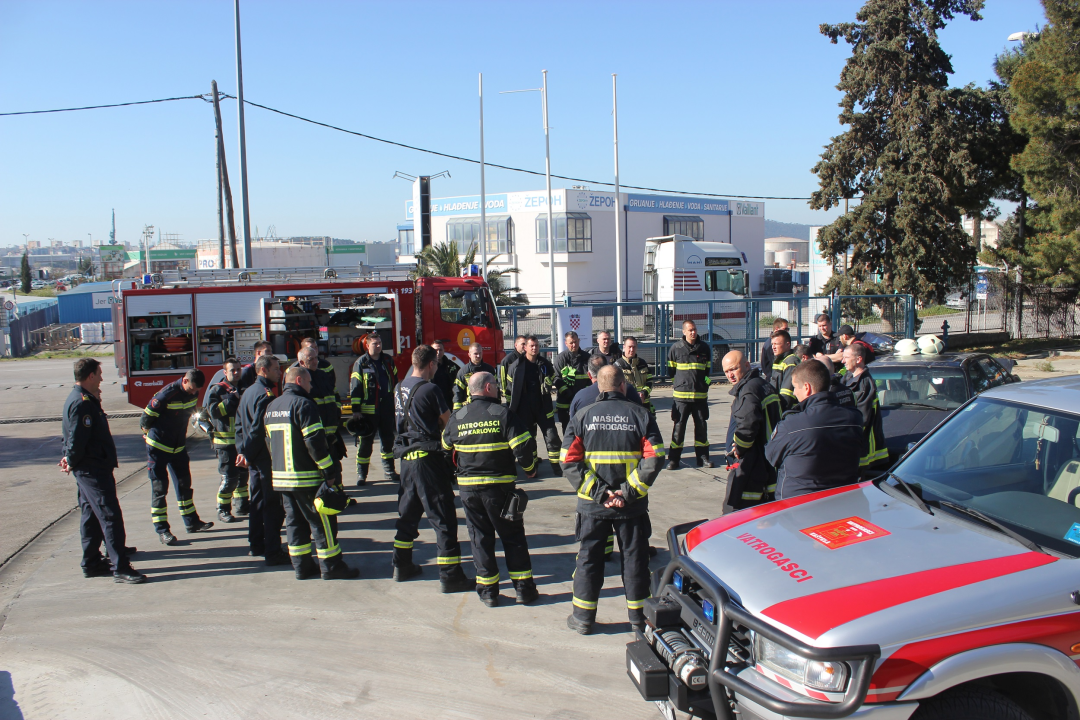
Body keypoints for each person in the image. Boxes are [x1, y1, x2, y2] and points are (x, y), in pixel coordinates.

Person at [562, 366, 665, 634]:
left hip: (592, 506)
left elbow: (569, 461)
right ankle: (638, 619)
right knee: (634, 560)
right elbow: (654, 457)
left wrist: (599, 492)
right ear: (623, 386)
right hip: (630, 507)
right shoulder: (641, 415)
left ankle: (583, 619)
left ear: (599, 386)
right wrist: (627, 492)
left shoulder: (582, 416)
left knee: (589, 559)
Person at [441, 372, 540, 607]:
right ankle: (524, 590)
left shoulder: (458, 417)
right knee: (513, 537)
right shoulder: (503, 414)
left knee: (480, 538)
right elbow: (524, 446)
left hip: (469, 490)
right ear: (487, 388)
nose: (498, 389)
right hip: (500, 489)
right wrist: (530, 469)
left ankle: (488, 592)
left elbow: (445, 448)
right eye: (495, 385)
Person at [265, 365, 360, 581]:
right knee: (321, 521)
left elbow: (269, 442)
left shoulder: (272, 406)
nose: (311, 386)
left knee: (294, 523)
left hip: (282, 479)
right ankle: (332, 566)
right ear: (299, 381)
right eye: (309, 382)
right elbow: (315, 443)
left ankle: (302, 567)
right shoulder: (304, 405)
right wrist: (328, 470)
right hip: (306, 478)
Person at [391, 345, 473, 592]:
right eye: (436, 364)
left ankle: (401, 565)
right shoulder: (431, 389)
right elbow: (449, 423)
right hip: (428, 461)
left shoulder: (399, 388)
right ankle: (450, 576)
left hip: (406, 461)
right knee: (443, 518)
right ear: (431, 364)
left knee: (408, 514)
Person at [60, 358, 146, 584]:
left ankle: (92, 562)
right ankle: (121, 567)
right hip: (92, 469)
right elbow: (77, 439)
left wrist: (70, 457)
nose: (101, 378)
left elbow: (73, 437)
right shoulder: (82, 403)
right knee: (110, 516)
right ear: (90, 376)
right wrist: (70, 459)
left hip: (90, 467)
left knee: (90, 514)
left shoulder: (81, 399)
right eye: (99, 374)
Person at [765, 360, 865, 500]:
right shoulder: (854, 419)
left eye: (795, 387)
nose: (793, 392)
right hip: (843, 501)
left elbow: (771, 455)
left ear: (807, 388)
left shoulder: (792, 424)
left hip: (797, 506)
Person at [141, 369, 213, 545]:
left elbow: (192, 415)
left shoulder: (192, 394)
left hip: (178, 447)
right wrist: (148, 434)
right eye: (192, 389)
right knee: (160, 489)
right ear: (185, 381)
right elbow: (145, 419)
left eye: (197, 390)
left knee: (184, 485)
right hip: (158, 448)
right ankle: (163, 530)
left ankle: (192, 522)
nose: (194, 393)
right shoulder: (166, 395)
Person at [236, 354, 288, 565]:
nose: (280, 372)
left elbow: (239, 426)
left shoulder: (248, 391)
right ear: (263, 370)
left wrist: (243, 452)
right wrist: (247, 454)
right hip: (264, 457)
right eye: (276, 369)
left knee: (256, 502)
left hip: (253, 458)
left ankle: (255, 544)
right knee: (271, 505)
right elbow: (258, 430)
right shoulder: (265, 395)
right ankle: (273, 551)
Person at [721, 351, 782, 512]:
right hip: (769, 459)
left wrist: (738, 448)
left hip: (752, 464)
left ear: (747, 365)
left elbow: (748, 425)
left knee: (735, 514)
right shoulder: (762, 385)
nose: (730, 375)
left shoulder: (748, 390)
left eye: (734, 369)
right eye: (727, 371)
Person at [505, 335, 563, 476]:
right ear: (525, 348)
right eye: (531, 346)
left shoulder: (544, 363)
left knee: (552, 437)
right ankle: (532, 467)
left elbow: (555, 376)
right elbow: (509, 390)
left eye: (536, 345)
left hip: (543, 408)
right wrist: (511, 410)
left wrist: (550, 381)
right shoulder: (516, 366)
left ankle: (557, 467)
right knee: (529, 439)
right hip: (524, 409)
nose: (534, 348)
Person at [350, 333, 399, 486]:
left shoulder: (388, 360)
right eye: (375, 343)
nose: (378, 346)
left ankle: (389, 471)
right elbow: (356, 387)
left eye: (379, 343)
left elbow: (395, 382)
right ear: (367, 345)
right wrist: (356, 410)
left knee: (388, 442)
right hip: (368, 411)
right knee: (365, 444)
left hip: (386, 409)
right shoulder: (361, 363)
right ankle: (362, 474)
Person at [206, 357, 249, 523]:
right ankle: (223, 509)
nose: (237, 372)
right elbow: (213, 412)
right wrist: (230, 401)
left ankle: (242, 505)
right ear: (225, 372)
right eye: (233, 370)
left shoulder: (244, 389)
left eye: (239, 369)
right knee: (229, 477)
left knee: (243, 475)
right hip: (224, 444)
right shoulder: (217, 390)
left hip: (241, 443)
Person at [667, 319, 712, 469]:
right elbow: (671, 372)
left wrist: (704, 384)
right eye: (690, 330)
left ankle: (703, 457)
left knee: (701, 428)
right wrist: (681, 383)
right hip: (681, 398)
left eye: (694, 329)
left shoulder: (704, 348)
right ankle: (674, 459)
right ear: (684, 331)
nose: (693, 332)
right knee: (678, 429)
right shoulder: (676, 348)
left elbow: (707, 370)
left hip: (700, 397)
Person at [298, 346, 347, 481]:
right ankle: (326, 497)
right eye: (311, 359)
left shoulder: (323, 375)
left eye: (316, 358)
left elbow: (334, 395)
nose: (315, 362)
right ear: (302, 362)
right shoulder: (301, 380)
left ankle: (339, 497)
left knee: (336, 466)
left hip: (331, 433)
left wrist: (337, 413)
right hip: (316, 434)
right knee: (320, 470)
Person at [842, 343, 890, 476]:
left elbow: (861, 419)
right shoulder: (848, 377)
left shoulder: (864, 384)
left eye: (846, 357)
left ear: (858, 359)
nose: (843, 361)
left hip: (861, 447)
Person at [568, 354, 643, 419]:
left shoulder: (580, 396)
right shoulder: (627, 389)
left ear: (589, 375)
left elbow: (573, 426)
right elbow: (642, 418)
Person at [204, 340, 272, 398]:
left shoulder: (264, 371)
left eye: (271, 351)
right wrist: (232, 399)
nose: (270, 354)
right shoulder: (247, 371)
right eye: (268, 351)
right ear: (259, 352)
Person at [553, 331, 593, 430]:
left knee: (583, 429)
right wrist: (567, 393)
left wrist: (586, 394)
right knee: (567, 430)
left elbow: (591, 378)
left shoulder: (587, 358)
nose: (574, 345)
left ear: (579, 341)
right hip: (564, 402)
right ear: (566, 343)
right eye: (571, 343)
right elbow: (556, 378)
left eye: (575, 342)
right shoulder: (561, 358)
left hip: (583, 401)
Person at [615, 336, 654, 415]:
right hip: (627, 405)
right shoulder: (618, 365)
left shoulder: (642, 363)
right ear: (624, 347)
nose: (632, 350)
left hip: (644, 404)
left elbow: (650, 381)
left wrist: (644, 393)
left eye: (634, 347)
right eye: (629, 347)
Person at [452, 343, 496, 410]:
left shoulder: (489, 369)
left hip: (487, 406)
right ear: (469, 355)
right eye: (475, 353)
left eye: (480, 353)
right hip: (470, 407)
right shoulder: (463, 372)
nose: (478, 356)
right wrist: (456, 411)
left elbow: (495, 388)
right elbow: (458, 391)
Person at [769, 329, 800, 411]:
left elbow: (787, 395)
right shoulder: (780, 360)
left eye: (776, 344)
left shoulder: (791, 362)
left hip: (789, 411)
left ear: (788, 344)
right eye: (772, 344)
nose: (773, 347)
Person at [430, 339, 458, 410]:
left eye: (440, 350)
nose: (438, 352)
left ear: (444, 350)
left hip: (448, 400)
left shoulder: (451, 365)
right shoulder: (427, 366)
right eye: (436, 350)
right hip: (433, 400)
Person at [499, 335, 527, 401]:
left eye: (526, 344)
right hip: (511, 393)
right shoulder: (507, 360)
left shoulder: (528, 358)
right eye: (523, 344)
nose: (525, 346)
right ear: (516, 345)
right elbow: (502, 377)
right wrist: (505, 392)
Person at [760, 318, 788, 383]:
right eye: (785, 329)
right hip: (773, 379)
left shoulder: (771, 342)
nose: (787, 332)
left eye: (787, 329)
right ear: (777, 329)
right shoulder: (771, 345)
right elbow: (774, 363)